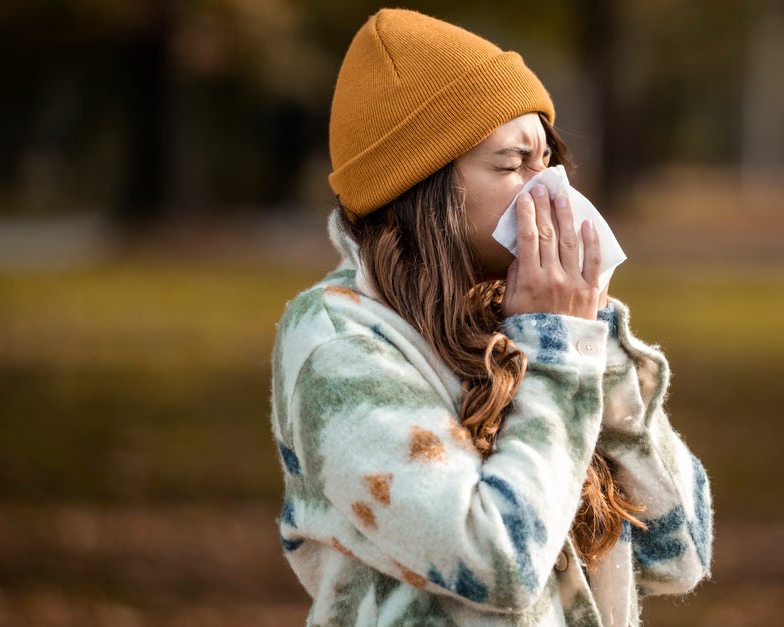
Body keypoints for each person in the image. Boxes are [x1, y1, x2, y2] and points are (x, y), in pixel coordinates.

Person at [270, 8, 712, 626]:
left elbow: (677, 555)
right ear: (420, 186)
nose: (549, 189)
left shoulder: (528, 322)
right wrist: (558, 351)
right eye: (512, 165)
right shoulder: (338, 339)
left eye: (548, 161)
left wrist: (594, 346)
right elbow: (498, 560)